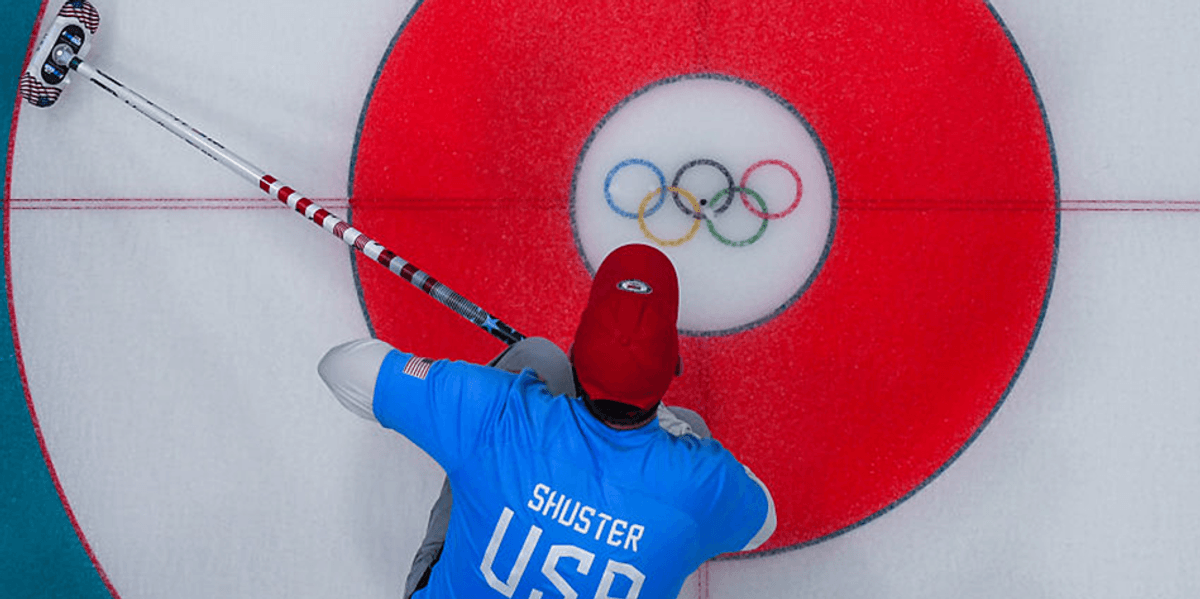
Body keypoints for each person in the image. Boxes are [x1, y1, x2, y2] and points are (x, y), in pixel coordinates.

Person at [318, 243, 775, 598]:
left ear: (579, 351)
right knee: (691, 429)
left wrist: (475, 393)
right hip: (666, 465)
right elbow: (763, 523)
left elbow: (341, 367)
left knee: (535, 357)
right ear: (672, 367)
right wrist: (673, 431)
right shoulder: (699, 482)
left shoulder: (496, 414)